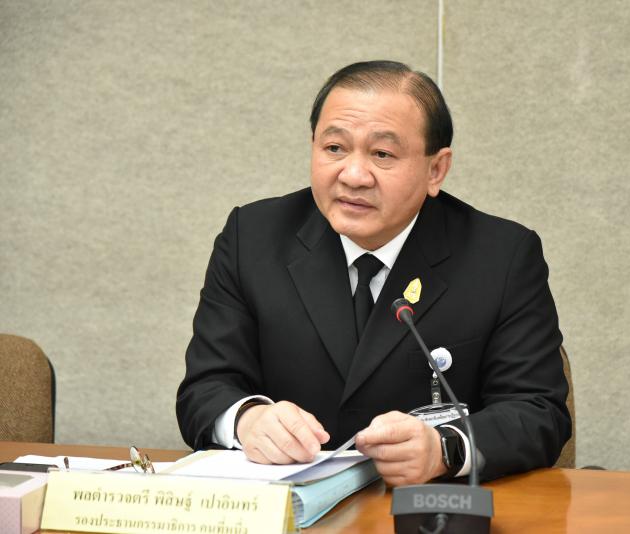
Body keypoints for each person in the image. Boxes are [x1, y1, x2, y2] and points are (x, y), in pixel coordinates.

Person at [176, 60, 570, 484]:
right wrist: (247, 420)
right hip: (290, 505)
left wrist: (445, 448)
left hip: (427, 507)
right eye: (334, 148)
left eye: (382, 154)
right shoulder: (252, 238)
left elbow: (538, 411)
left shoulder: (501, 256)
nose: (353, 175)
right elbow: (205, 388)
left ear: (436, 169)